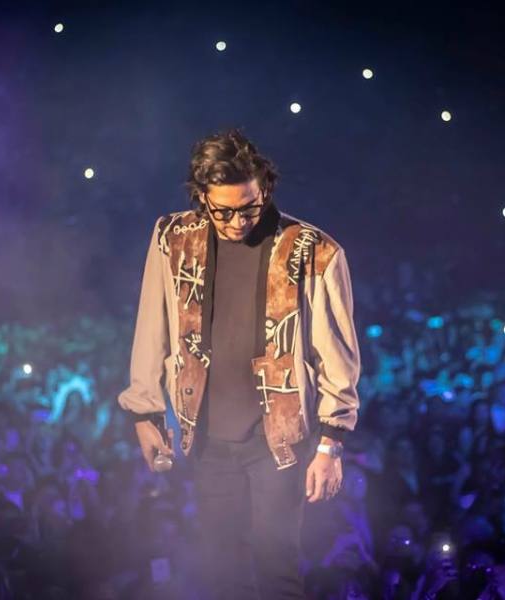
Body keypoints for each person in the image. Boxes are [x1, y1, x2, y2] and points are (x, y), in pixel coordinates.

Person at [118, 128, 362, 599]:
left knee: (277, 571)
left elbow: (337, 356)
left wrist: (331, 444)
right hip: (206, 437)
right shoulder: (173, 238)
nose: (236, 222)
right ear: (201, 198)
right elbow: (153, 325)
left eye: (248, 208)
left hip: (279, 439)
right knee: (220, 574)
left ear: (265, 189)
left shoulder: (313, 250)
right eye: (222, 211)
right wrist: (144, 412)